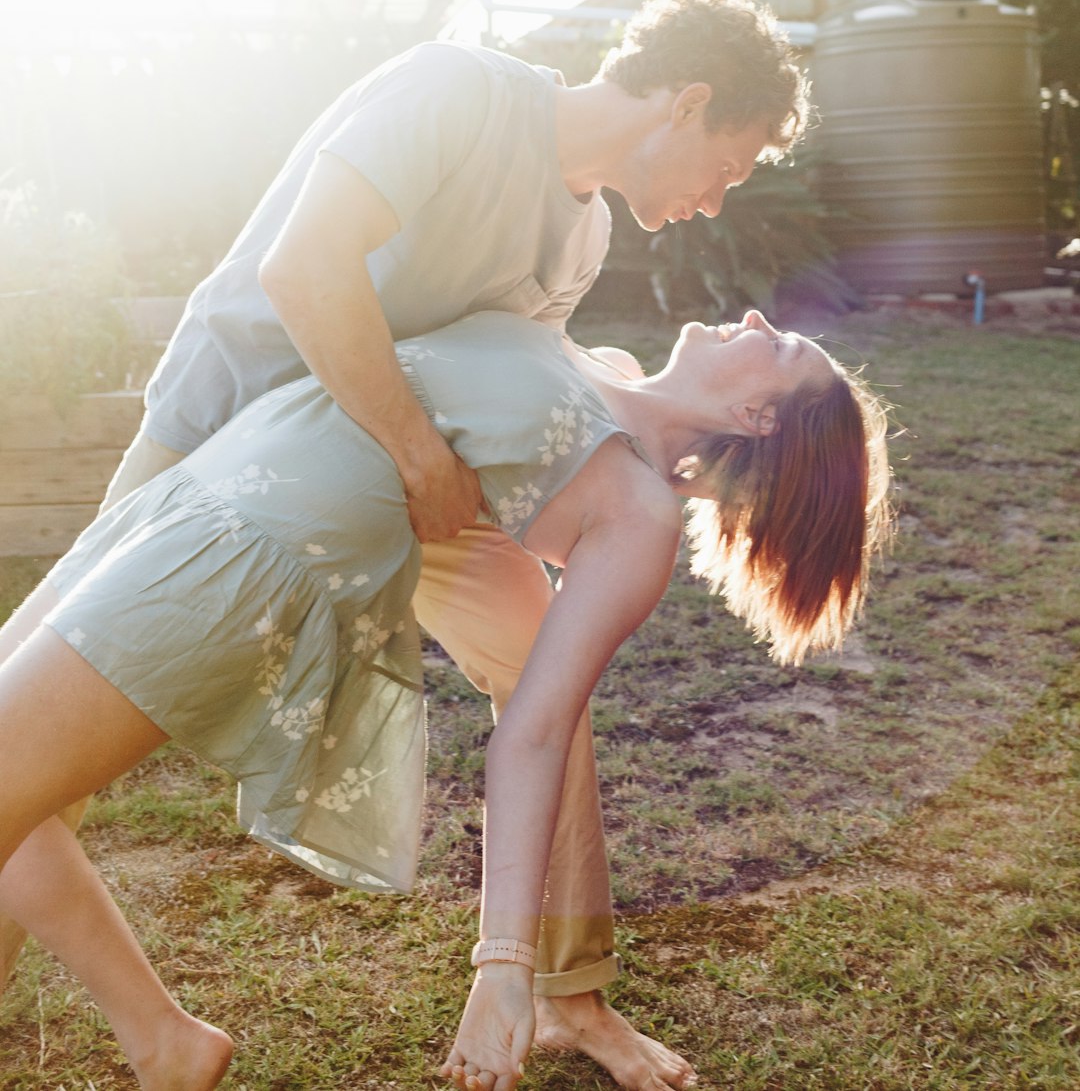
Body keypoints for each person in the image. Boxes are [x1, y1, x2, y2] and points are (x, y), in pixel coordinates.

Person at [0, 0, 811, 1087]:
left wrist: (578, 528)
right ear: (689, 103)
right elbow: (304, 269)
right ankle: (128, 1025)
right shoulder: (456, 91)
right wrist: (423, 458)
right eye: (730, 165)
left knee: (548, 685)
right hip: (234, 440)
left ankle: (568, 996)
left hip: (404, 476)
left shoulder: (582, 239)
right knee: (40, 755)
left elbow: (503, 391)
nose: (717, 201)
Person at [0, 307, 892, 1091]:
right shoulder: (605, 360)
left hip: (245, 561)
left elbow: (537, 730)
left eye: (780, 347)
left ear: (756, 416)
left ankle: (173, 1041)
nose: (753, 318)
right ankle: (164, 1042)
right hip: (204, 487)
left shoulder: (636, 511)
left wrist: (502, 963)